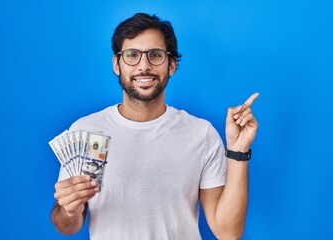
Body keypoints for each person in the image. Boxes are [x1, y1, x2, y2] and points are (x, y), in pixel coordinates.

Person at [51, 12, 259, 240]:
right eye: (132, 55)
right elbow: (67, 226)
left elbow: (228, 232)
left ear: (171, 65)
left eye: (155, 55)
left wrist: (238, 151)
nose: (144, 66)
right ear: (116, 64)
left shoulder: (201, 133)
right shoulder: (87, 132)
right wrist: (69, 210)